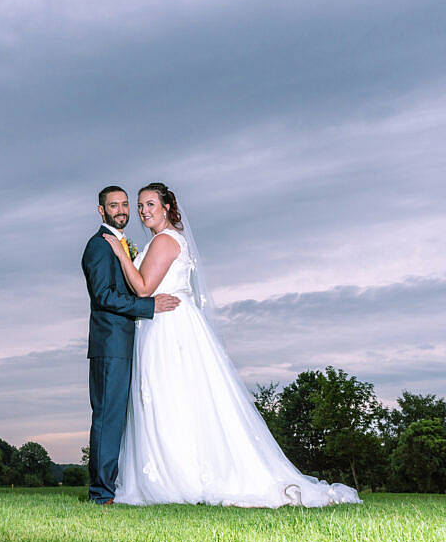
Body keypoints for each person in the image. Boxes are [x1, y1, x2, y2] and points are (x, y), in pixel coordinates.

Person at [100, 182, 361, 507]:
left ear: (166, 207)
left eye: (150, 204)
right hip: (164, 324)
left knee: (171, 396)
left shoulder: (165, 241)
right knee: (175, 399)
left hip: (168, 330)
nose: (144, 211)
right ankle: (175, 471)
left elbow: (142, 289)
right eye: (140, 206)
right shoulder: (163, 240)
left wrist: (122, 255)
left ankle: (180, 477)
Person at [82, 185, 181, 505]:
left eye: (126, 204)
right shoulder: (98, 246)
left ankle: (119, 484)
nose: (123, 210)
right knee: (108, 417)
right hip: (110, 344)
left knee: (122, 417)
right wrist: (149, 307)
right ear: (101, 210)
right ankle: (101, 493)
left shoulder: (125, 244)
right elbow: (103, 296)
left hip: (129, 341)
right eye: (114, 205)